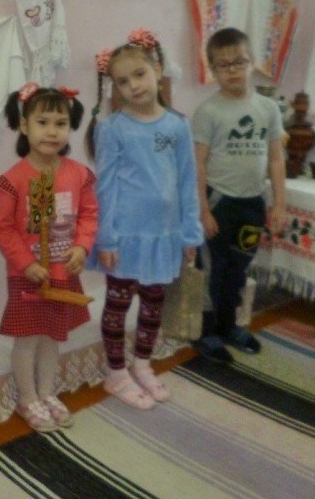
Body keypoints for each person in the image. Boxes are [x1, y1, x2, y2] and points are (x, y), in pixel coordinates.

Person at [84, 29, 203, 409]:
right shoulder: (112, 128)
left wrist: (190, 234)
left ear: (158, 70)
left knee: (154, 304)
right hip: (125, 237)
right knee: (118, 305)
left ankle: (142, 364)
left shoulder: (177, 126)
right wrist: (106, 238)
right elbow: (105, 187)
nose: (132, 85)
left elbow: (187, 181)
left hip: (165, 236)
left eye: (139, 74)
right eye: (122, 81)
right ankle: (116, 373)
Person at [0, 84, 97, 432]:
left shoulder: (79, 174)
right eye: (42, 122)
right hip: (29, 276)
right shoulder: (12, 181)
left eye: (60, 123)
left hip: (64, 274)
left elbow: (89, 215)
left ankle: (47, 392)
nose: (52, 132)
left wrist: (81, 247)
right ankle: (27, 397)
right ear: (24, 126)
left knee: (52, 336)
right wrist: (27, 264)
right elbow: (2, 228)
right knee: (28, 338)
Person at [191, 27, 286, 364]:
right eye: (223, 65)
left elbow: (276, 159)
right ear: (213, 70)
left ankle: (229, 325)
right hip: (219, 202)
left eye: (239, 62)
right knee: (211, 269)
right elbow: (198, 165)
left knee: (238, 268)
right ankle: (205, 332)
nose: (232, 70)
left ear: (252, 62)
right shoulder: (208, 111)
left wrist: (279, 204)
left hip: (252, 204)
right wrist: (203, 211)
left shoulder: (269, 108)